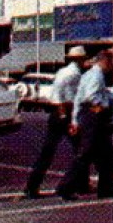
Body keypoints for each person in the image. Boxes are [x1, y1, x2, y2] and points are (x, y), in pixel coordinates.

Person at [22, 46, 88, 199]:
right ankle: (75, 185)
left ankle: (32, 186)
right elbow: (66, 98)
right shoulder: (75, 74)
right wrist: (68, 118)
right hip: (64, 113)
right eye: (83, 59)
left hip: (56, 114)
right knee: (81, 150)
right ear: (79, 60)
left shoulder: (63, 72)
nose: (85, 62)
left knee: (47, 152)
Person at [55, 48, 113, 201]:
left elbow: (78, 99)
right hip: (94, 116)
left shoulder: (87, 74)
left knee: (106, 154)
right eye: (111, 62)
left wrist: (75, 120)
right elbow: (91, 96)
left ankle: (106, 189)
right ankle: (65, 187)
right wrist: (101, 108)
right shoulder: (97, 75)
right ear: (105, 61)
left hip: (87, 115)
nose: (112, 65)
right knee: (87, 154)